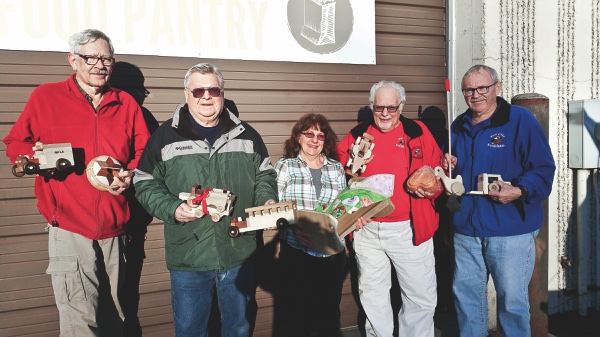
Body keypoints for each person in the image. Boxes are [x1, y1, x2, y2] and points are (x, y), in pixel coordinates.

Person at [3, 29, 150, 337]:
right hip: (70, 227)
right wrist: (37, 159)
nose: (100, 64)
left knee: (117, 317)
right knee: (80, 323)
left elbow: (145, 153)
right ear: (73, 60)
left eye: (106, 57)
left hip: (116, 229)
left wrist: (130, 174)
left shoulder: (126, 104)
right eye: (91, 57)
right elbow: (16, 141)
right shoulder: (46, 97)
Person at [132, 63, 278, 337]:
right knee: (190, 330)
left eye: (213, 90)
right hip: (189, 254)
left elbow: (265, 176)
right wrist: (173, 208)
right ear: (186, 93)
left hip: (238, 251)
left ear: (222, 93)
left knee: (238, 328)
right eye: (199, 90)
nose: (206, 96)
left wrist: (267, 201)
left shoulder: (247, 135)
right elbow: (143, 181)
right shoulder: (164, 138)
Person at [441, 64, 555, 337]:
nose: (476, 94)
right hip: (466, 229)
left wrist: (518, 191)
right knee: (467, 301)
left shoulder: (519, 120)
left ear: (498, 88)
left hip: (509, 230)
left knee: (512, 303)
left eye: (483, 88)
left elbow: (543, 169)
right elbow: (450, 172)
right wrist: (447, 164)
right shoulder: (458, 125)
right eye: (469, 89)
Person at [337, 80, 443, 337]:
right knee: (373, 296)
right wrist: (351, 216)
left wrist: (432, 188)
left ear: (401, 106)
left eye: (391, 108)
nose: (385, 113)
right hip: (368, 230)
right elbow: (340, 178)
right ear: (373, 107)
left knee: (419, 298)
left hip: (409, 229)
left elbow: (438, 173)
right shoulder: (358, 134)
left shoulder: (417, 132)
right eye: (379, 107)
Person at [274, 113, 348, 337]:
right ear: (298, 137)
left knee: (329, 315)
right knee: (297, 316)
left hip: (331, 254)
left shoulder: (336, 168)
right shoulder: (285, 167)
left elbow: (344, 206)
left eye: (320, 135)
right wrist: (292, 225)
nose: (314, 140)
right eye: (309, 134)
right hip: (297, 253)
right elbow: (275, 206)